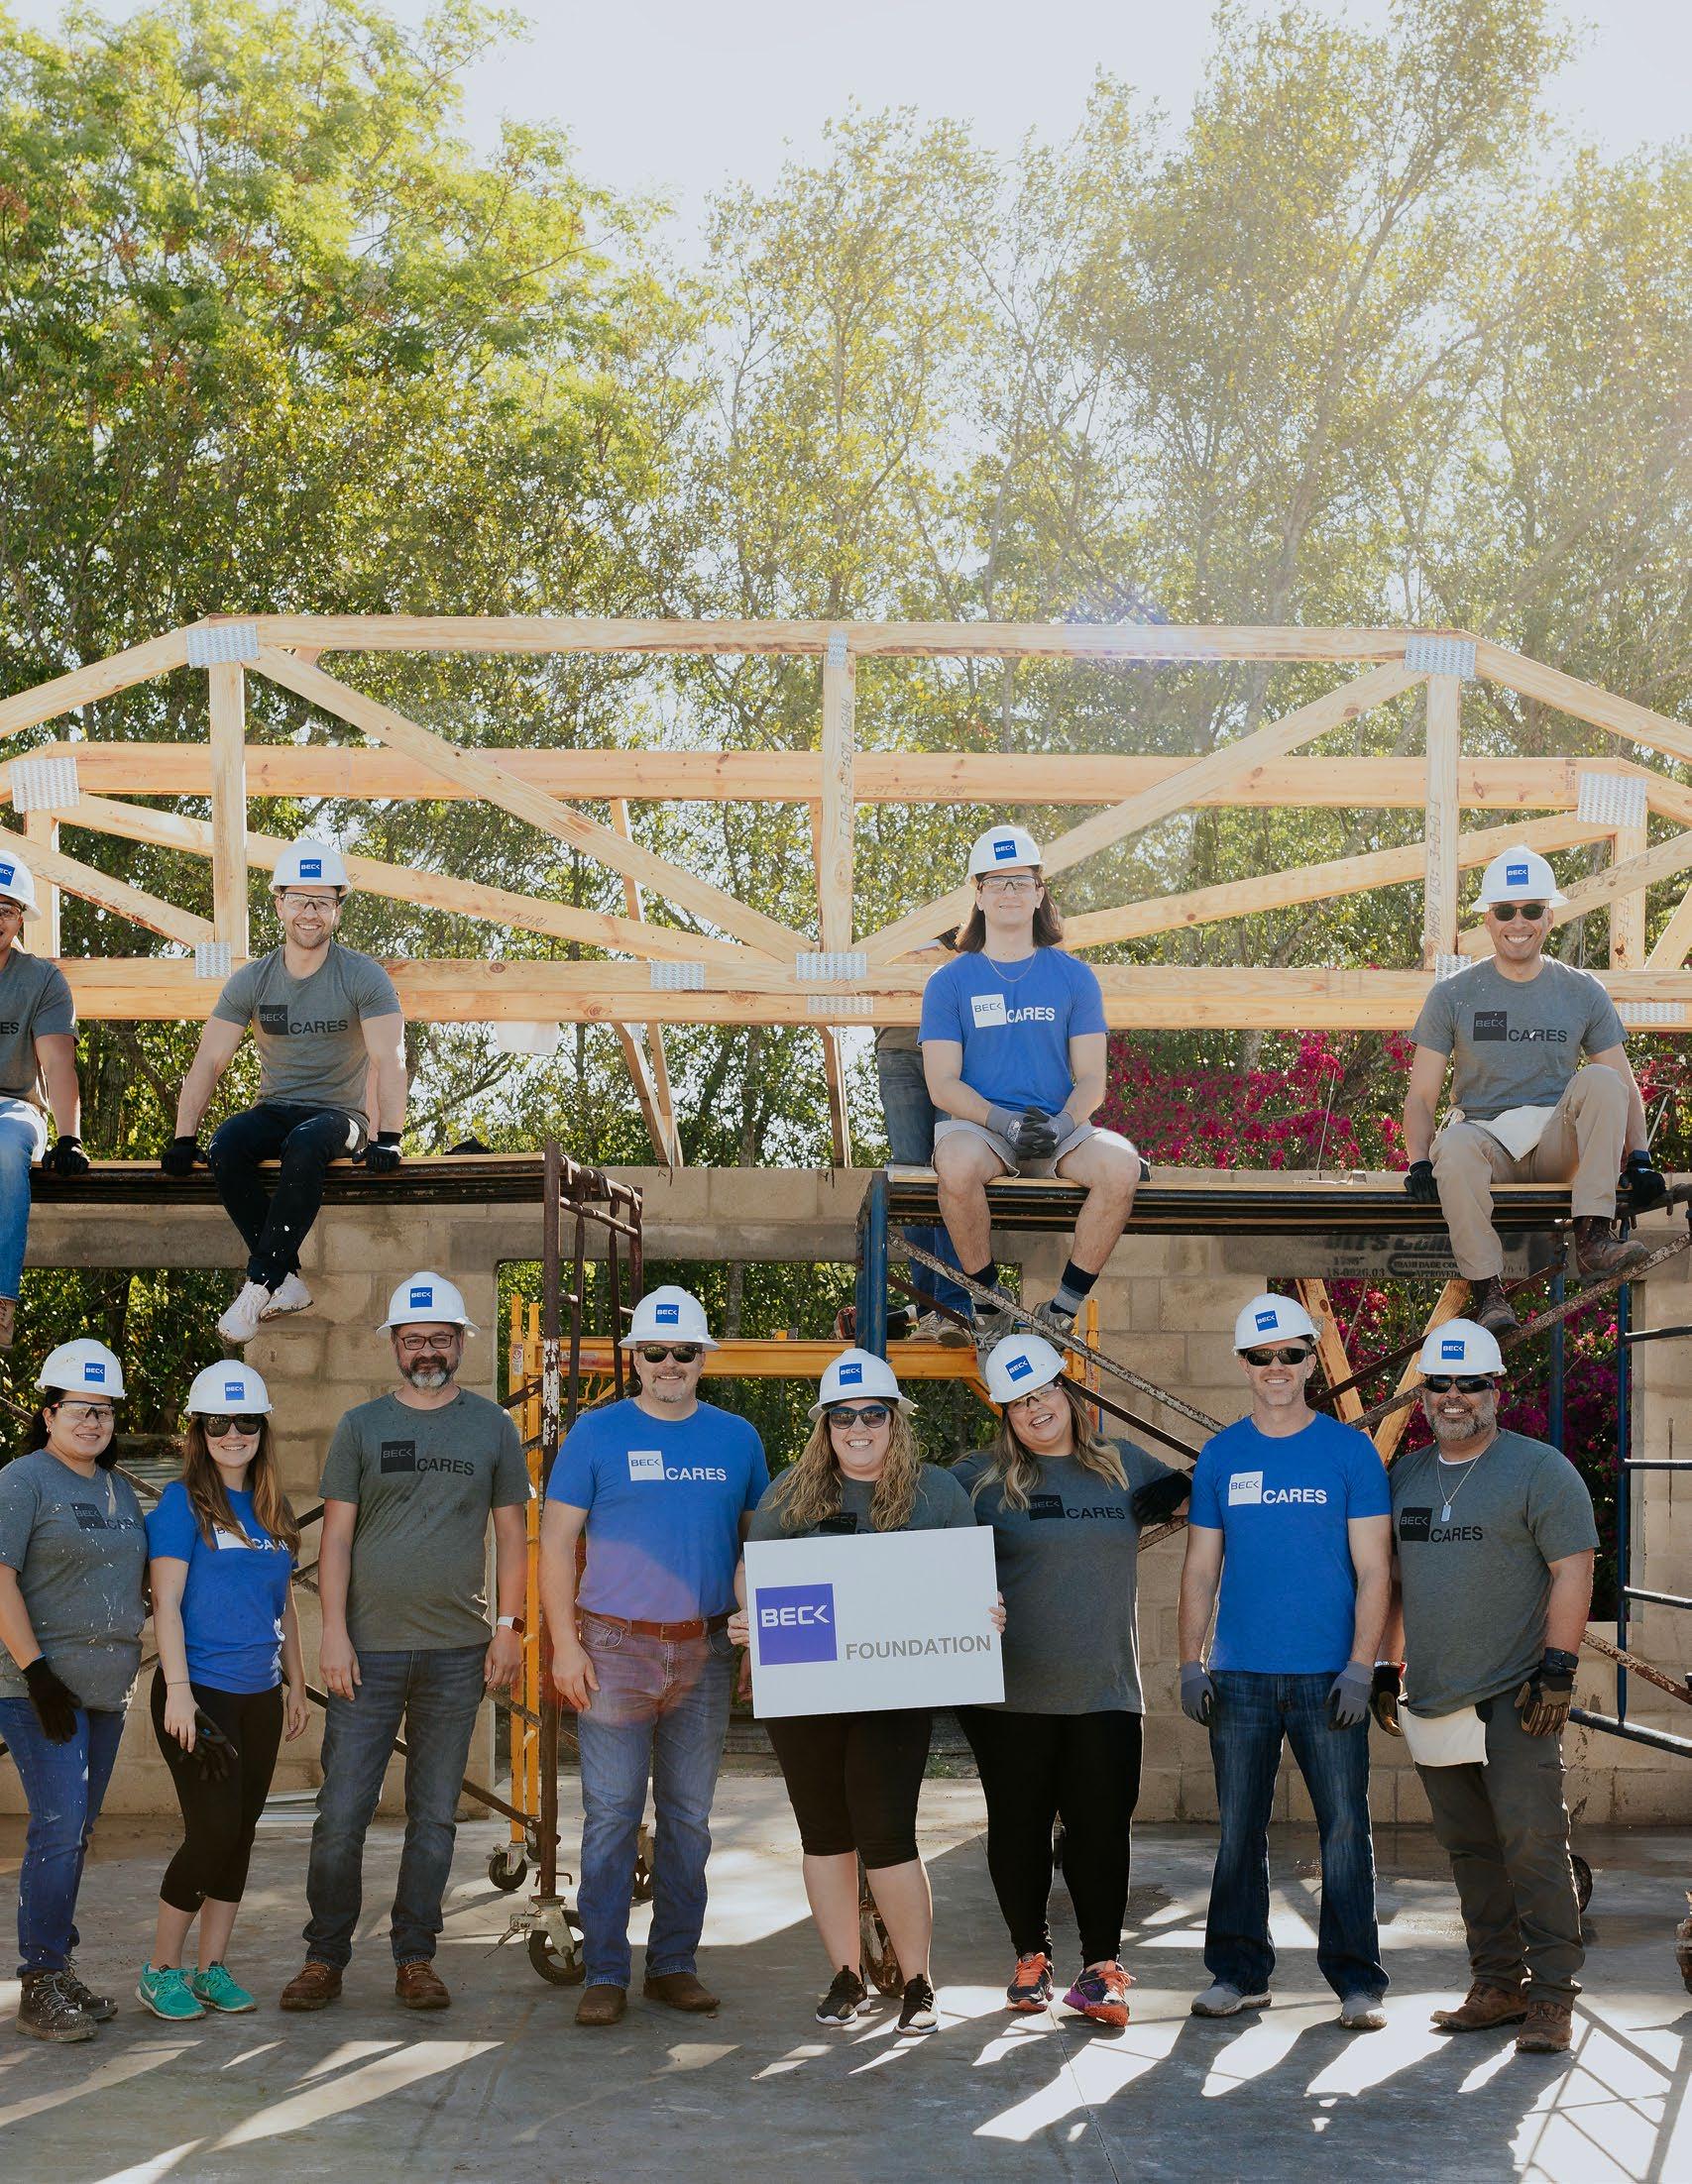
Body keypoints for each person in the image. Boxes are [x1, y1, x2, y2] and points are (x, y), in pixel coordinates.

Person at [279, 1271, 528, 2013]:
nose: (427, 1351)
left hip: (458, 1652)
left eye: (439, 1339)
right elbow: (336, 1541)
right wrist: (333, 1636)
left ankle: (415, 1956)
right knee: (341, 1814)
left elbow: (512, 1536)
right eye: (414, 1339)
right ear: (394, 1344)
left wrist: (508, 1628)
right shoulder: (360, 1426)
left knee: (435, 1817)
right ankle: (324, 1957)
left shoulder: (491, 1427)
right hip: (368, 1653)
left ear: (460, 1344)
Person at [728, 1349, 986, 2036]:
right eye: (842, 1417)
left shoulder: (935, 1493)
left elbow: (968, 1581)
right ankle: (846, 1974)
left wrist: (985, 1612)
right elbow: (753, 1571)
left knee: (888, 1837)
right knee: (824, 1836)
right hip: (807, 1693)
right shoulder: (793, 1491)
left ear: (896, 1420)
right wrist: (749, 1614)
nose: (858, 1428)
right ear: (825, 1426)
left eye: (873, 1414)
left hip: (892, 1694)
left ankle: (918, 1981)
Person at [539, 1284, 768, 2028]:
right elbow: (553, 1544)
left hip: (703, 1648)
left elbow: (758, 1549)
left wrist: (760, 1637)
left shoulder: (737, 1439)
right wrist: (564, 1645)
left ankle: (673, 1965)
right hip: (613, 1648)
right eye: (655, 1351)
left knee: (689, 1818)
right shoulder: (596, 1434)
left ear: (704, 1358)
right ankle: (605, 1971)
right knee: (610, 1815)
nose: (670, 1364)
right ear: (634, 1357)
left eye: (684, 1352)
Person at [1375, 1318, 1597, 2057]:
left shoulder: (1538, 1470)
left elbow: (1572, 1569)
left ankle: (1553, 1995)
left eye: (1468, 1383)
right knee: (1469, 1850)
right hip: (1435, 1693)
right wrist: (1386, 1666)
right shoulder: (1405, 1478)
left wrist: (1558, 1670)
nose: (1453, 1396)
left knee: (1533, 1843)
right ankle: (1498, 1984)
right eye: (1438, 1383)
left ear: (1494, 1388)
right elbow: (1393, 1583)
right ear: (1422, 1394)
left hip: (1516, 1694)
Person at [955, 1332, 1186, 2029]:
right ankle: (1030, 1959)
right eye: (1018, 1402)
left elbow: (1207, 1497)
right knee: (1019, 1829)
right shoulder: (977, 1478)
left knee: (1100, 1831)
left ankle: (1100, 1970)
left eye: (1044, 1392)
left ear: (1067, 1391)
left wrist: (1201, 1483)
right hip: (1008, 1694)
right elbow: (910, 1542)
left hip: (1105, 1689)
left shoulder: (1122, 1463)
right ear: (1003, 1413)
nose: (1036, 1409)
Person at [1178, 1293, 1393, 2031]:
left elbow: (1375, 1570)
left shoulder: (1348, 1452)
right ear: (1243, 1364)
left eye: (1291, 1355)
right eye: (1262, 1357)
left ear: (1309, 1363)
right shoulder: (1221, 1455)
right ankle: (1238, 1975)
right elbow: (1200, 1569)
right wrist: (1189, 1662)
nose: (1277, 1368)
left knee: (1344, 1830)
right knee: (1238, 1829)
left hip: (1328, 1676)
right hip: (1238, 1676)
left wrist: (1361, 1667)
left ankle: (1357, 1982)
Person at [1403, 842, 1663, 1338]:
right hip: (1484, 1143)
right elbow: (1420, 1097)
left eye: (1531, 910)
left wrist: (1641, 1157)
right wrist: (1418, 1162)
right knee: (1451, 1146)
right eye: (1505, 911)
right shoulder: (1452, 995)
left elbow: (1623, 1084)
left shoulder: (1582, 990)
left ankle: (1594, 1237)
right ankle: (1488, 1294)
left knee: (1602, 1080)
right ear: (1488, 919)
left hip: (1555, 1143)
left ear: (1549, 917)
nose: (1517, 922)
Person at [161, 837, 407, 1345]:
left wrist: (389, 1136)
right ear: (278, 904)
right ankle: (287, 1280)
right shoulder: (253, 980)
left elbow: (389, 1058)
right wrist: (184, 1137)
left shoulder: (364, 977)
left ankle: (258, 1285)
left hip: (340, 1117)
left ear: (337, 909)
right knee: (227, 1145)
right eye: (298, 900)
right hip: (275, 1108)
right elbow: (210, 1059)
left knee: (305, 1142)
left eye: (322, 902)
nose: (309, 912)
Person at [919, 823, 1141, 1350]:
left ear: (1040, 894)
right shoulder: (948, 982)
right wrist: (1002, 1121)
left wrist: (1063, 1123)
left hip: (1057, 1127)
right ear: (978, 895)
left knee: (1121, 1165)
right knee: (955, 1165)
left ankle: (1059, 1312)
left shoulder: (1074, 977)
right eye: (996, 882)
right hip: (983, 1128)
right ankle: (987, 1306)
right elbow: (942, 1083)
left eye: (1021, 881)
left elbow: (1093, 1078)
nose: (1010, 892)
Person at [139, 1362, 308, 2021]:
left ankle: (211, 1968)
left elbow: (284, 1605)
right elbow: (167, 1604)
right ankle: (161, 1970)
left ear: (262, 1429)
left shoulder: (272, 1508)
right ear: (198, 1431)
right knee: (210, 1833)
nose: (233, 1434)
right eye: (218, 1423)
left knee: (239, 1834)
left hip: (260, 1696)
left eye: (245, 1422)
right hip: (198, 1694)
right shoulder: (181, 1503)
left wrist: (297, 1683)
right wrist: (179, 1693)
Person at [0, 1340, 144, 2039]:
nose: (93, 1422)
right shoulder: (22, 1480)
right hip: (39, 1689)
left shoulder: (120, 1490)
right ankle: (39, 1981)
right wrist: (36, 1672)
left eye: (105, 1410)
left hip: (106, 1690)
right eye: (80, 1409)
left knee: (78, 1830)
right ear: (49, 1413)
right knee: (58, 1825)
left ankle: (57, 1966)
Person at [0, 847, 90, 1350]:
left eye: (7, 908)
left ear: (21, 918)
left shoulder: (41, 981)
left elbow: (57, 1064)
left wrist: (69, 1137)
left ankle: (0, 1301)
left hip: (13, 1107)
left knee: (3, 1150)